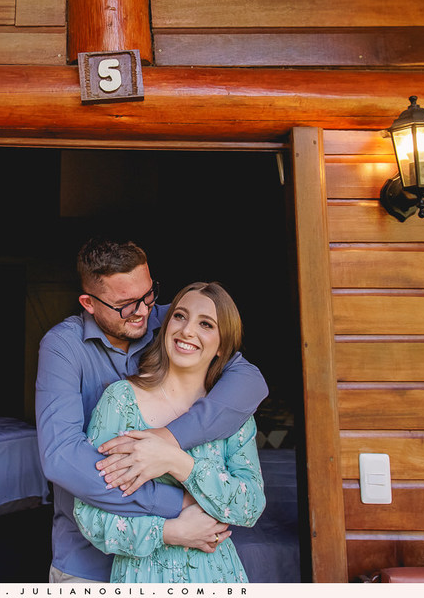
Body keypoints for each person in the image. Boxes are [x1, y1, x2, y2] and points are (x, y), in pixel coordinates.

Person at [36, 238, 268, 582]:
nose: (144, 311)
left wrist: (168, 442)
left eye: (148, 295)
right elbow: (62, 457)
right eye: (126, 304)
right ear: (89, 303)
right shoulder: (63, 347)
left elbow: (250, 380)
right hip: (88, 560)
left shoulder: (172, 323)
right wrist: (176, 507)